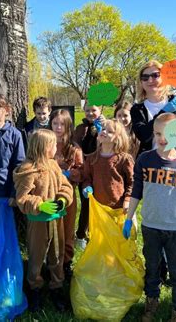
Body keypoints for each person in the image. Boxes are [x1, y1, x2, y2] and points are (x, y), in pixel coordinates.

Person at [123, 112, 176, 322]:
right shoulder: (145, 159)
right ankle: (151, 302)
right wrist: (129, 218)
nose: (162, 139)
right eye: (158, 133)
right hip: (151, 225)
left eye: (168, 134)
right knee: (152, 267)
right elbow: (137, 190)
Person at [131, 60, 176, 283]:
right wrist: (163, 112)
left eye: (155, 75)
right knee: (156, 218)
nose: (151, 80)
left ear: (165, 77)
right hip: (152, 168)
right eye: (145, 77)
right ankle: (157, 272)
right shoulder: (138, 109)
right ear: (141, 82)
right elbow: (143, 135)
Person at [13, 129, 73, 312]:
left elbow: (65, 185)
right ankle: (35, 288)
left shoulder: (54, 165)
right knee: (37, 255)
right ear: (44, 147)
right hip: (37, 221)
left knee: (57, 253)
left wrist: (62, 199)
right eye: (53, 144)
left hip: (56, 220)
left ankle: (57, 286)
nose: (56, 147)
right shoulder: (28, 169)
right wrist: (39, 205)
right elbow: (22, 198)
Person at [50, 109, 83, 280]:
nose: (58, 127)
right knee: (52, 230)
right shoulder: (46, 145)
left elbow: (81, 171)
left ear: (68, 126)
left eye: (62, 124)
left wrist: (69, 174)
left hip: (68, 195)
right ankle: (51, 263)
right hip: (48, 194)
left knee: (67, 229)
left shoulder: (73, 148)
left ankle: (66, 262)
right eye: (55, 123)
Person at [81, 119, 134, 210]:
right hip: (98, 208)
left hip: (119, 208)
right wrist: (87, 187)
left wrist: (127, 200)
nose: (104, 131)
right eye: (103, 129)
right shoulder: (91, 158)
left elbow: (132, 182)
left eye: (110, 131)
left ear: (118, 138)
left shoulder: (124, 159)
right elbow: (87, 178)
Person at [73, 102, 104, 249]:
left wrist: (101, 132)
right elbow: (76, 146)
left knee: (100, 203)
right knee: (86, 204)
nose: (90, 113)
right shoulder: (80, 128)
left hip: (101, 172)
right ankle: (81, 234)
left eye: (94, 110)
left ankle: (97, 233)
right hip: (85, 172)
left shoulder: (105, 126)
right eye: (87, 111)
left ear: (101, 110)